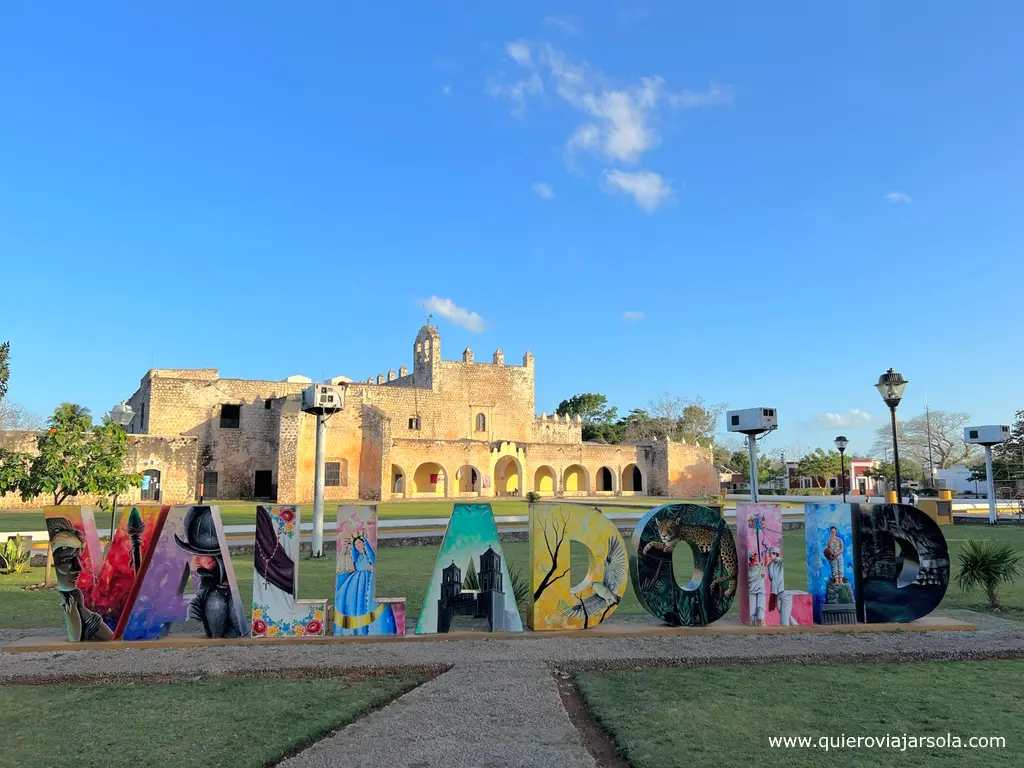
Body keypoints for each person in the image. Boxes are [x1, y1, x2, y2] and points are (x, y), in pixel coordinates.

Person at [174, 506, 242, 639]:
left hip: (221, 594)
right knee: (215, 605)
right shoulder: (208, 588)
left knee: (219, 606)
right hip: (212, 592)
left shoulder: (217, 573)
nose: (195, 561)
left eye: (200, 555)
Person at [48, 517, 115, 643]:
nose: (78, 568)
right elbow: (75, 638)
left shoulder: (75, 595)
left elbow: (108, 637)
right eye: (67, 560)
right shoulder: (71, 597)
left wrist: (83, 611)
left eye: (77, 558)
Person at [335, 532, 397, 635]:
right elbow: (347, 561)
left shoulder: (368, 556)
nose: (358, 546)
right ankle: (353, 628)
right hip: (355, 582)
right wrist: (346, 548)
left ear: (364, 543)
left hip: (366, 581)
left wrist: (371, 568)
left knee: (363, 601)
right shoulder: (356, 557)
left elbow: (374, 565)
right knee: (352, 601)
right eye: (356, 544)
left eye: (360, 543)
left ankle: (364, 627)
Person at [765, 547, 798, 626]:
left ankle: (786, 631)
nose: (769, 556)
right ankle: (796, 626)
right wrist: (769, 565)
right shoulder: (772, 564)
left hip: (785, 591)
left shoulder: (781, 562)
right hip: (778, 592)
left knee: (784, 618)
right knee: (782, 611)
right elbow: (771, 577)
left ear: (775, 554)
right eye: (769, 554)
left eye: (770, 554)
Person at [747, 551, 766, 626]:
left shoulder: (760, 565)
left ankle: (760, 619)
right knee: (752, 605)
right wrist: (760, 568)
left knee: (761, 605)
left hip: (761, 589)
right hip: (752, 589)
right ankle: (752, 620)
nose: (758, 557)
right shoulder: (750, 567)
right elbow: (752, 576)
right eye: (756, 556)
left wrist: (761, 567)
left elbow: (762, 575)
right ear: (752, 557)